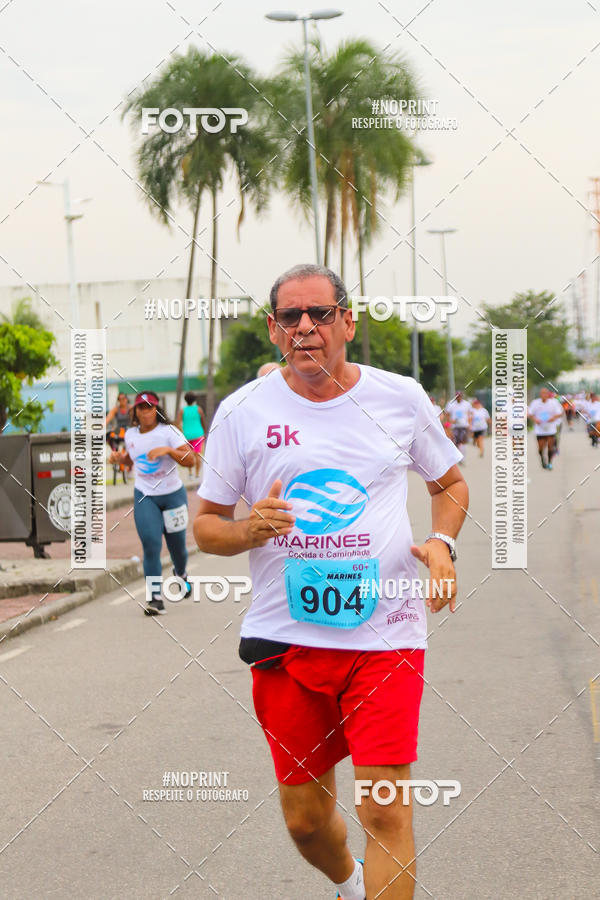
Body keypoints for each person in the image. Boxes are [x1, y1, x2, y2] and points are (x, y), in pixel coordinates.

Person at [194, 264, 468, 900]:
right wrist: (246, 531)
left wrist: (442, 543)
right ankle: (347, 886)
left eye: (320, 314)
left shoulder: (399, 398)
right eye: (291, 317)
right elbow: (207, 526)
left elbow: (449, 483)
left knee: (385, 811)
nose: (306, 328)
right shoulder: (243, 411)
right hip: (286, 640)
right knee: (307, 823)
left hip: (387, 634)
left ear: (347, 321)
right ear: (273, 330)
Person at [109, 391, 195, 615]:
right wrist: (121, 459)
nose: (146, 411)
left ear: (156, 409)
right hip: (145, 495)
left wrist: (168, 450)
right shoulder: (130, 434)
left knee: (177, 548)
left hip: (173, 495)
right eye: (141, 407)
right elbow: (132, 458)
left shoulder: (170, 432)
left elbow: (191, 460)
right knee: (151, 544)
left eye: (150, 407)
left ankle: (182, 573)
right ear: (135, 411)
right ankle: (155, 598)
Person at [527, 387, 564, 470]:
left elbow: (559, 413)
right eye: (542, 393)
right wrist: (535, 419)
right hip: (540, 429)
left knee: (550, 447)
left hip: (551, 428)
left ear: (548, 394)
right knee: (540, 448)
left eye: (546, 393)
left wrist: (553, 418)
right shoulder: (535, 403)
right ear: (540, 395)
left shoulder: (553, 403)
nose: (544, 395)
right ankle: (543, 460)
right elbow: (530, 414)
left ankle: (550, 462)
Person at [176, 392, 206, 479]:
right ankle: (197, 475)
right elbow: (203, 421)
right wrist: (204, 432)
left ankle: (190, 474)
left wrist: (182, 432)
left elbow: (178, 423)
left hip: (186, 436)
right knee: (198, 455)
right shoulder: (198, 409)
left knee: (189, 455)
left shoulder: (182, 410)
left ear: (185, 400)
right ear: (195, 399)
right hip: (198, 435)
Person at [445, 391, 473, 458]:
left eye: (460, 396)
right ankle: (458, 456)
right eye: (457, 396)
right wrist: (450, 422)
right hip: (454, 426)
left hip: (464, 425)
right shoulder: (451, 404)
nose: (458, 397)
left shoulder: (467, 404)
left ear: (462, 396)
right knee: (456, 442)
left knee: (463, 441)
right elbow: (447, 414)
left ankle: (463, 456)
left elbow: (470, 414)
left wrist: (470, 424)